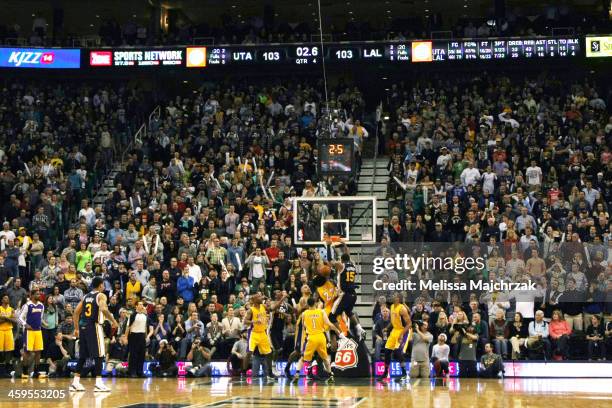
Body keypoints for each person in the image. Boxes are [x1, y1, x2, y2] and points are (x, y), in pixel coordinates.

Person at [70, 276, 119, 392]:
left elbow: (75, 313)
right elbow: (103, 309)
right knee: (99, 355)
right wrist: (113, 321)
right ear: (101, 285)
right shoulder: (101, 295)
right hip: (94, 326)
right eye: (103, 285)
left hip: (83, 328)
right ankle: (98, 382)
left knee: (83, 356)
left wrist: (76, 329)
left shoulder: (86, 296)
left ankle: (75, 382)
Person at [291, 297, 343, 384]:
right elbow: (329, 324)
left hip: (311, 337)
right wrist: (337, 331)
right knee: (325, 358)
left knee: (303, 358)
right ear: (315, 303)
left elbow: (304, 326)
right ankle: (331, 376)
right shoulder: (321, 312)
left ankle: (297, 374)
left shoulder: (304, 313)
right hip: (321, 337)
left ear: (308, 304)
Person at [243, 292, 287, 381]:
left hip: (262, 333)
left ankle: (269, 373)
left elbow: (272, 308)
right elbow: (245, 321)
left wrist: (282, 299)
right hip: (253, 333)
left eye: (260, 296)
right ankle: (243, 371)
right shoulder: (250, 310)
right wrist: (254, 322)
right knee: (249, 353)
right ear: (254, 300)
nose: (261, 297)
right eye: (259, 297)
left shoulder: (263, 306)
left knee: (269, 353)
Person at [330, 253, 365, 340]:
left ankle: (341, 335)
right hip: (353, 294)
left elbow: (332, 261)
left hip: (345, 294)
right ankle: (359, 328)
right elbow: (347, 253)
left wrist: (328, 245)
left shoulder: (341, 266)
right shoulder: (352, 265)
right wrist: (343, 244)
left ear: (341, 260)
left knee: (331, 317)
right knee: (348, 312)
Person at [378, 293, 411, 381]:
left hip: (403, 330)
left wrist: (401, 335)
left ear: (399, 299)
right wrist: (387, 328)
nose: (392, 297)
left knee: (397, 351)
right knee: (387, 351)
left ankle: (404, 374)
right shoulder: (392, 306)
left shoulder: (402, 309)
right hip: (395, 330)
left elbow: (409, 324)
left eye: (395, 296)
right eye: (393, 295)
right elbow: (393, 322)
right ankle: (385, 373)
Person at [18, 288, 45, 378]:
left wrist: (42, 324)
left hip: (38, 331)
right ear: (32, 295)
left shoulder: (41, 305)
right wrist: (25, 324)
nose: (39, 295)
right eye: (37, 294)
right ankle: (24, 372)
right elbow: (20, 317)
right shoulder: (27, 305)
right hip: (29, 332)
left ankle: (36, 372)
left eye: (39, 294)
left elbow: (40, 318)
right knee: (27, 352)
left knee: (38, 351)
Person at [126, 300, 148, 377]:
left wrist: (146, 336)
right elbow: (128, 327)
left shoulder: (145, 315)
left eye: (142, 304)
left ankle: (140, 371)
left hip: (142, 336)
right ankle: (132, 371)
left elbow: (145, 327)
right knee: (133, 354)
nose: (141, 306)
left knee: (142, 354)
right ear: (136, 306)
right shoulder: (133, 315)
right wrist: (126, 337)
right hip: (134, 335)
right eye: (140, 304)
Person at [0, 294, 16, 377]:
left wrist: (4, 318)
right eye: (5, 298)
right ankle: (1, 370)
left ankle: (6, 370)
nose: (7, 299)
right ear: (2, 300)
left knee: (9, 351)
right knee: (1, 351)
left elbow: (15, 320)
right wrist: (8, 318)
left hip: (9, 331)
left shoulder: (12, 309)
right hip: (0, 331)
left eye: (8, 298)